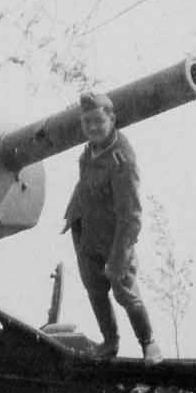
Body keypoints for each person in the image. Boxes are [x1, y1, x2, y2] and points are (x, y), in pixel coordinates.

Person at [61, 91, 163, 365]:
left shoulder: (122, 159)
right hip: (86, 230)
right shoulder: (89, 151)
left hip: (114, 237)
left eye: (98, 122)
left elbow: (132, 215)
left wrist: (119, 255)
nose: (92, 128)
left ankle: (148, 343)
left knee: (124, 290)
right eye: (87, 123)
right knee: (94, 288)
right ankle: (110, 342)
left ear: (112, 119)